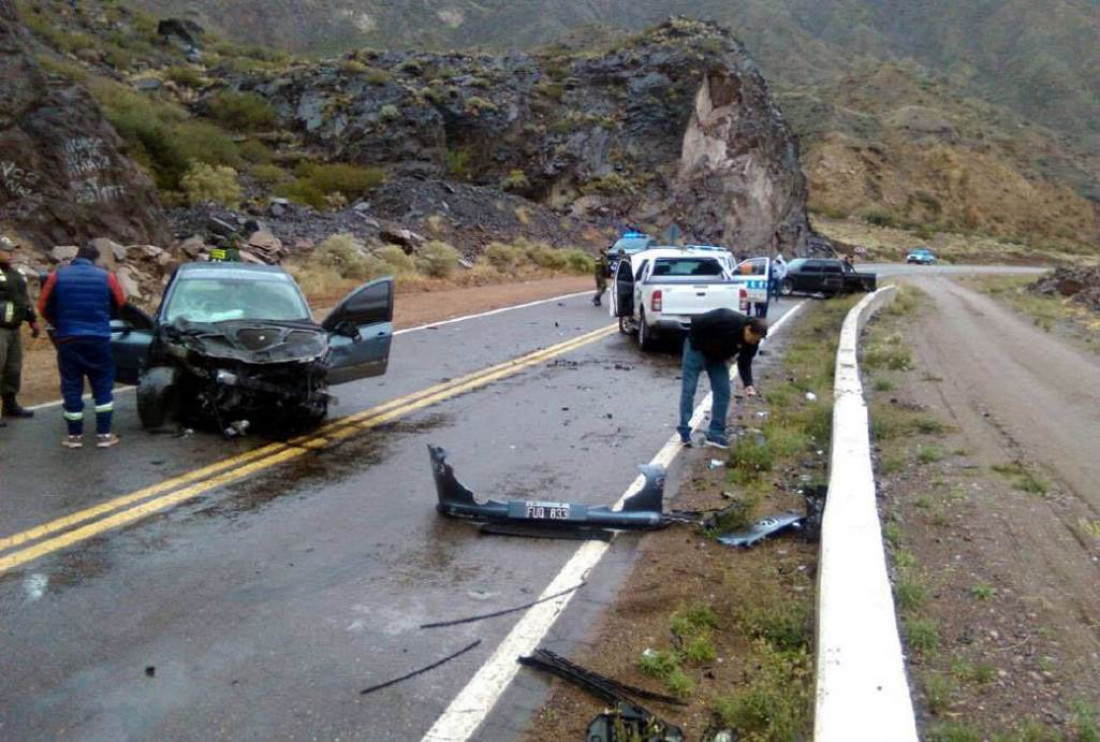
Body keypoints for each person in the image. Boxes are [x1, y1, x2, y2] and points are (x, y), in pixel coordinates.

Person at [38, 243, 127, 449]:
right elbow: (120, 303)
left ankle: (74, 436)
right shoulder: (106, 277)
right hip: (98, 339)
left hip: (68, 340)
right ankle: (104, 435)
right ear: (95, 260)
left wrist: (60, 323)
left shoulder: (57, 276)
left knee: (71, 385)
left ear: (76, 257)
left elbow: (43, 306)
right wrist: (104, 319)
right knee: (103, 385)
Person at [678, 308, 767, 449]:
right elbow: (697, 322)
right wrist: (699, 343)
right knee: (689, 389)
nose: (753, 342)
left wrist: (748, 384)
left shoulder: (752, 343)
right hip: (697, 349)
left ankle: (716, 433)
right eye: (753, 338)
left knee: (723, 392)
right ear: (748, 329)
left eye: (757, 340)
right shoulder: (727, 318)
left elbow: (744, 362)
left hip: (717, 358)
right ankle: (684, 429)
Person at [0, 236, 42, 427]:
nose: (11, 254)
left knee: (13, 368)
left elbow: (24, 301)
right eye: (7, 250)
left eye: (12, 251)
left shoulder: (17, 275)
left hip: (14, 329)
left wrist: (32, 321)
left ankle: (10, 405)